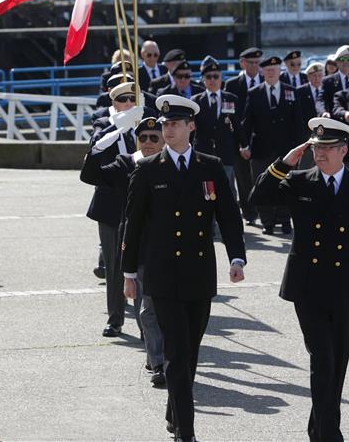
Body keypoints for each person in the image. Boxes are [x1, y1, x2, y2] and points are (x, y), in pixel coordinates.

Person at [249, 117, 349, 442]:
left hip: (343, 285)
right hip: (306, 285)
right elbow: (257, 198)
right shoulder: (298, 181)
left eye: (326, 149)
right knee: (322, 359)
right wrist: (284, 163)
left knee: (337, 363)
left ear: (343, 150)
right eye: (316, 148)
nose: (319, 154)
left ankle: (317, 428)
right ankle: (329, 434)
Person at [122, 94, 246, 442]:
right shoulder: (148, 170)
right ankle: (186, 433)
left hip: (199, 274)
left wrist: (236, 257)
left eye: (174, 124)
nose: (167, 129)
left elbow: (229, 216)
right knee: (175, 350)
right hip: (162, 276)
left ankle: (174, 411)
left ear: (191, 126)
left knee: (189, 351)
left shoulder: (210, 167)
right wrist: (129, 274)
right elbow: (132, 224)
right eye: (164, 124)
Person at [81, 117, 167, 387]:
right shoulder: (126, 163)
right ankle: (158, 362)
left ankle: (157, 356)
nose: (150, 143)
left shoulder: (173, 163)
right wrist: (102, 143)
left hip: (165, 245)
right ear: (136, 140)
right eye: (144, 138)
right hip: (135, 245)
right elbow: (90, 175)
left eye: (155, 137)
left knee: (154, 308)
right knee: (146, 308)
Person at [83, 81, 139, 336]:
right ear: (114, 103)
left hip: (139, 204)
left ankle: (144, 322)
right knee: (115, 265)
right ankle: (115, 318)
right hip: (110, 206)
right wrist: (118, 129)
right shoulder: (103, 125)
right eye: (123, 100)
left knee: (140, 263)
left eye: (132, 100)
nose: (128, 105)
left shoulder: (144, 126)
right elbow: (95, 145)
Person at [240, 56, 300, 235]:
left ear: (280, 71)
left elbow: (298, 121)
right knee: (263, 185)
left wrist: (299, 148)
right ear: (262, 72)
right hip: (261, 148)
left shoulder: (291, 91)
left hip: (285, 149)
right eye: (268, 69)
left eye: (275, 69)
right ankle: (268, 222)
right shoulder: (254, 92)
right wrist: (244, 145)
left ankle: (285, 220)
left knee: (286, 184)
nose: (271, 72)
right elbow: (247, 122)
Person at [192, 57, 244, 195]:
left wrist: (244, 146)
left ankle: (229, 216)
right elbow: (191, 129)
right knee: (206, 190)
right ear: (203, 79)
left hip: (225, 152)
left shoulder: (231, 98)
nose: (212, 80)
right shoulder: (196, 101)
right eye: (209, 77)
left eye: (216, 76)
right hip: (204, 151)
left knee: (227, 189)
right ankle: (210, 217)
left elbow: (238, 125)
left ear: (221, 78)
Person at [224, 47, 263, 226]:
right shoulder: (232, 84)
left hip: (261, 138)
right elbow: (229, 115)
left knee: (262, 175)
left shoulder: (265, 80)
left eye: (257, 62)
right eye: (251, 62)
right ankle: (249, 212)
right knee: (243, 178)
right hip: (239, 139)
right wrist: (240, 142)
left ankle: (264, 209)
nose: (254, 66)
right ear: (242, 63)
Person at [294, 62, 325, 169]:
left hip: (325, 136)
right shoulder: (300, 91)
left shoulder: (327, 90)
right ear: (308, 77)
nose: (317, 78)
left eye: (320, 75)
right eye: (314, 76)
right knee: (305, 166)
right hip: (307, 136)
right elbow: (298, 116)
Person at [321, 45, 349, 112]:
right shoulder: (328, 81)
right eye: (342, 59)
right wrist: (323, 112)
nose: (346, 62)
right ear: (337, 62)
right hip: (336, 119)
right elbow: (321, 100)